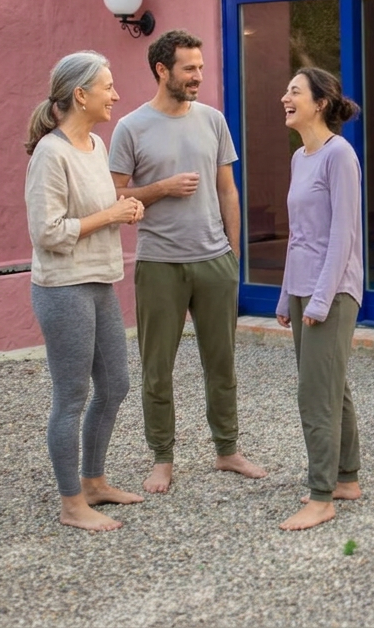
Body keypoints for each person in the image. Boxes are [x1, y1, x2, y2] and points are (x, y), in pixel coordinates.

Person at [109, 29, 266, 493]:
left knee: (222, 364)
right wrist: (162, 188)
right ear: (162, 70)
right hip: (159, 264)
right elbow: (115, 196)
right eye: (189, 68)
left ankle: (227, 450)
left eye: (200, 67)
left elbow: (227, 190)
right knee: (157, 368)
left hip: (215, 262)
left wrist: (234, 254)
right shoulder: (130, 127)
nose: (198, 76)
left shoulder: (213, 120)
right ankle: (162, 458)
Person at [24, 51, 145, 531]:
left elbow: (97, 208)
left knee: (115, 385)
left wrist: (124, 207)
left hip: (98, 281)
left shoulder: (96, 145)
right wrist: (110, 215)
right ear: (80, 95)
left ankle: (94, 482)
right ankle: (71, 503)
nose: (115, 95)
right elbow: (46, 232)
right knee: (71, 396)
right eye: (107, 87)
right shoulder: (50, 154)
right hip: (63, 288)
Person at [275, 67, 364, 531]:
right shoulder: (299, 157)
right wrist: (286, 294)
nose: (285, 98)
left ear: (320, 103)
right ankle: (346, 477)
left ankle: (321, 496)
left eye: (295, 92)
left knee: (315, 395)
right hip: (302, 287)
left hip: (332, 291)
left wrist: (320, 299)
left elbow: (343, 234)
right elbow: (299, 235)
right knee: (331, 385)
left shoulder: (339, 155)